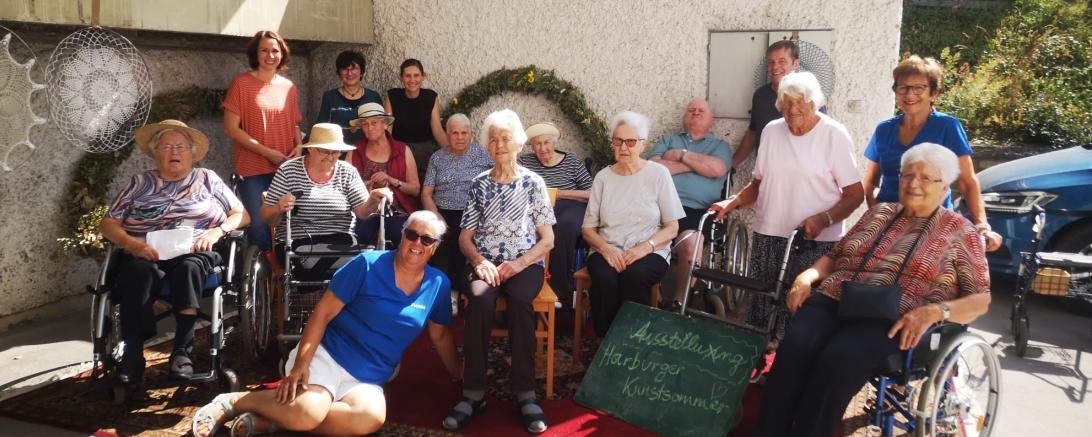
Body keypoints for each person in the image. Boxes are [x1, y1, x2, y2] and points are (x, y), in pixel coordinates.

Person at [755, 143, 991, 437]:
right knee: (795, 347)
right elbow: (834, 257)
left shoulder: (960, 231)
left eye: (925, 178)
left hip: (893, 317)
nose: (913, 183)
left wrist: (935, 312)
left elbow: (981, 298)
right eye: (907, 175)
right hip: (835, 298)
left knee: (839, 359)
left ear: (945, 187)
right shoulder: (879, 213)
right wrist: (807, 276)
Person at [191, 211, 461, 437]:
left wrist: (458, 374)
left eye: (427, 239)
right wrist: (301, 365)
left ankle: (275, 421)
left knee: (369, 419)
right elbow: (322, 314)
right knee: (308, 410)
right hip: (329, 353)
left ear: (435, 246)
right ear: (402, 235)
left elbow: (440, 336)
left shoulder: (437, 284)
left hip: (369, 375)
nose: (417, 243)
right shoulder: (368, 264)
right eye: (412, 235)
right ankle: (234, 402)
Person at [711, 72, 863, 345]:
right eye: (787, 102)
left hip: (813, 240)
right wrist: (733, 201)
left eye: (800, 102)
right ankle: (751, 365)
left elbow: (854, 195)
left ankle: (788, 369)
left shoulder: (833, 135)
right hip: (768, 232)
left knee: (798, 312)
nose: (792, 110)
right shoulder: (771, 131)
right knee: (760, 308)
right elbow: (758, 183)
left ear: (815, 102)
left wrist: (823, 219)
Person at [99, 120, 248, 384]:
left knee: (189, 268)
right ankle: (132, 350)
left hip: (194, 249)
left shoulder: (207, 179)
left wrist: (217, 232)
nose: (174, 152)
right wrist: (133, 245)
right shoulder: (140, 183)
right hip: (147, 251)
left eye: (180, 146)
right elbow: (108, 222)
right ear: (155, 153)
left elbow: (241, 214)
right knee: (137, 272)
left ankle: (182, 349)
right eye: (166, 146)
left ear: (192, 152)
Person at [443, 109, 556, 434]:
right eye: (493, 140)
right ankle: (473, 394)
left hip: (524, 264)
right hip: (486, 264)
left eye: (505, 138)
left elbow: (548, 239)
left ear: (519, 143)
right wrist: (479, 262)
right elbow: (465, 237)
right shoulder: (479, 184)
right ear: (487, 147)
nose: (499, 144)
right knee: (479, 300)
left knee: (521, 303)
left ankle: (525, 394)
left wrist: (519, 263)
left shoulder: (533, 183)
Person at [862, 55, 1002, 251]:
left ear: (934, 93)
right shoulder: (884, 130)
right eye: (903, 88)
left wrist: (981, 226)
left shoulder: (947, 127)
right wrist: (877, 213)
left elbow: (968, 181)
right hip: (888, 227)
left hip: (932, 227)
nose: (909, 95)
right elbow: (870, 182)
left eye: (919, 88)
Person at [582, 111, 686, 337]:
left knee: (635, 277)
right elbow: (588, 229)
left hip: (650, 248)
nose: (623, 148)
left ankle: (635, 341)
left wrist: (645, 247)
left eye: (630, 142)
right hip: (607, 248)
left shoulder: (658, 174)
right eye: (618, 141)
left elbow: (672, 227)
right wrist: (605, 249)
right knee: (605, 278)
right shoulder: (603, 177)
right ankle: (606, 341)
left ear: (642, 144)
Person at [260, 123, 390, 274]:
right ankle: (328, 293)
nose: (331, 157)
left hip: (341, 243)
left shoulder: (347, 171)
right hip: (298, 242)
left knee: (369, 262)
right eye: (325, 151)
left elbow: (362, 212)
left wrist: (373, 199)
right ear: (310, 149)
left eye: (335, 152)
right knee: (345, 266)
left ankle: (329, 293)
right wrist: (278, 208)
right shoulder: (288, 171)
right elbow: (267, 217)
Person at [647, 98, 732, 309]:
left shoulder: (720, 146)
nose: (695, 112)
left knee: (692, 244)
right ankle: (648, 297)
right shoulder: (668, 139)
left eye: (701, 110)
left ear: (711, 120)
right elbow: (653, 168)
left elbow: (718, 169)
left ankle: (679, 302)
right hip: (658, 206)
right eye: (691, 110)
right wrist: (698, 165)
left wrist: (681, 156)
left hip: (696, 210)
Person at [223, 30, 303, 251]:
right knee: (259, 225)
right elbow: (231, 129)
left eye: (275, 50)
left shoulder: (289, 87)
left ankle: (287, 273)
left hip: (286, 167)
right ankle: (267, 279)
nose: (270, 55)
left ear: (282, 54)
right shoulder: (241, 84)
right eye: (264, 50)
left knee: (290, 221)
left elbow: (294, 123)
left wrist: (300, 145)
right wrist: (266, 152)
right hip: (252, 170)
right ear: (255, 54)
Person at [518, 122, 593, 306]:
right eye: (537, 144)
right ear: (532, 146)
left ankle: (558, 290)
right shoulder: (524, 162)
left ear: (554, 143)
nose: (543, 148)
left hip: (570, 206)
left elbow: (592, 193)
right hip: (535, 208)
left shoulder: (572, 162)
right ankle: (527, 286)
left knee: (564, 227)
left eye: (546, 143)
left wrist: (559, 193)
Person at [421, 113, 494, 294]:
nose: (460, 137)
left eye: (464, 133)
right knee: (439, 239)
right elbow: (426, 194)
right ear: (447, 134)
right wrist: (437, 218)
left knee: (462, 241)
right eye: (455, 133)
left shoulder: (484, 155)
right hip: (442, 211)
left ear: (471, 134)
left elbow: (500, 182)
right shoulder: (437, 158)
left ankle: (459, 290)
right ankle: (443, 292)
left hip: (474, 212)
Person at [347, 103, 421, 248]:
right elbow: (344, 186)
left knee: (399, 234)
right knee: (359, 234)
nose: (370, 128)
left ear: (385, 125)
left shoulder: (402, 150)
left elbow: (415, 189)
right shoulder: (354, 151)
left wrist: (391, 180)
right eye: (365, 124)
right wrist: (367, 185)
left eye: (374, 123)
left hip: (396, 210)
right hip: (365, 209)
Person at [731, 40, 801, 169]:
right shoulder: (760, 95)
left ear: (796, 64)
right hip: (766, 172)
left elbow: (822, 137)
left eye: (782, 61)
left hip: (798, 174)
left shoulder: (809, 97)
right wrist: (731, 165)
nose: (775, 67)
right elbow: (753, 134)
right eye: (771, 62)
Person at [385, 58, 448, 184]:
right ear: (401, 78)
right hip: (399, 151)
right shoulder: (392, 96)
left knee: (423, 189)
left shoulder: (430, 97)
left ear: (423, 77)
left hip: (424, 152)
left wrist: (455, 152)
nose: (412, 80)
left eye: (416, 75)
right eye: (407, 76)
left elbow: (437, 130)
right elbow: (388, 130)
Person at [315, 50, 383, 146]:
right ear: (339, 73)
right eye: (345, 69)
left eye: (354, 68)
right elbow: (321, 129)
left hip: (367, 153)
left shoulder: (373, 97)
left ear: (361, 72)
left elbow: (381, 128)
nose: (349, 73)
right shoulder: (330, 97)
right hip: (338, 154)